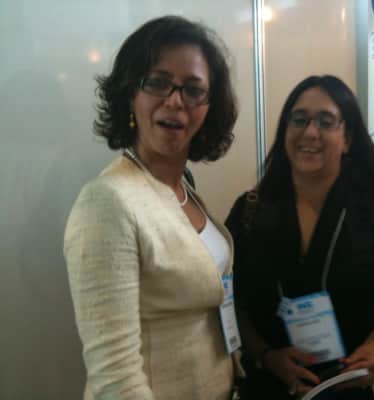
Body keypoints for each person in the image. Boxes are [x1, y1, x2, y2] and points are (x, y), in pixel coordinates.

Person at [64, 15, 243, 400]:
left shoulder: (182, 188)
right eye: (158, 83)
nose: (175, 101)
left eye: (194, 90)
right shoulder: (107, 201)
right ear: (131, 93)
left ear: (209, 106)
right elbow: (116, 379)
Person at [226, 75, 374, 399]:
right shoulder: (249, 211)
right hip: (269, 387)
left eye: (326, 121)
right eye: (299, 120)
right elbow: (233, 304)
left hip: (353, 387)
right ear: (285, 130)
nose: (310, 132)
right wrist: (267, 355)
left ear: (347, 139)